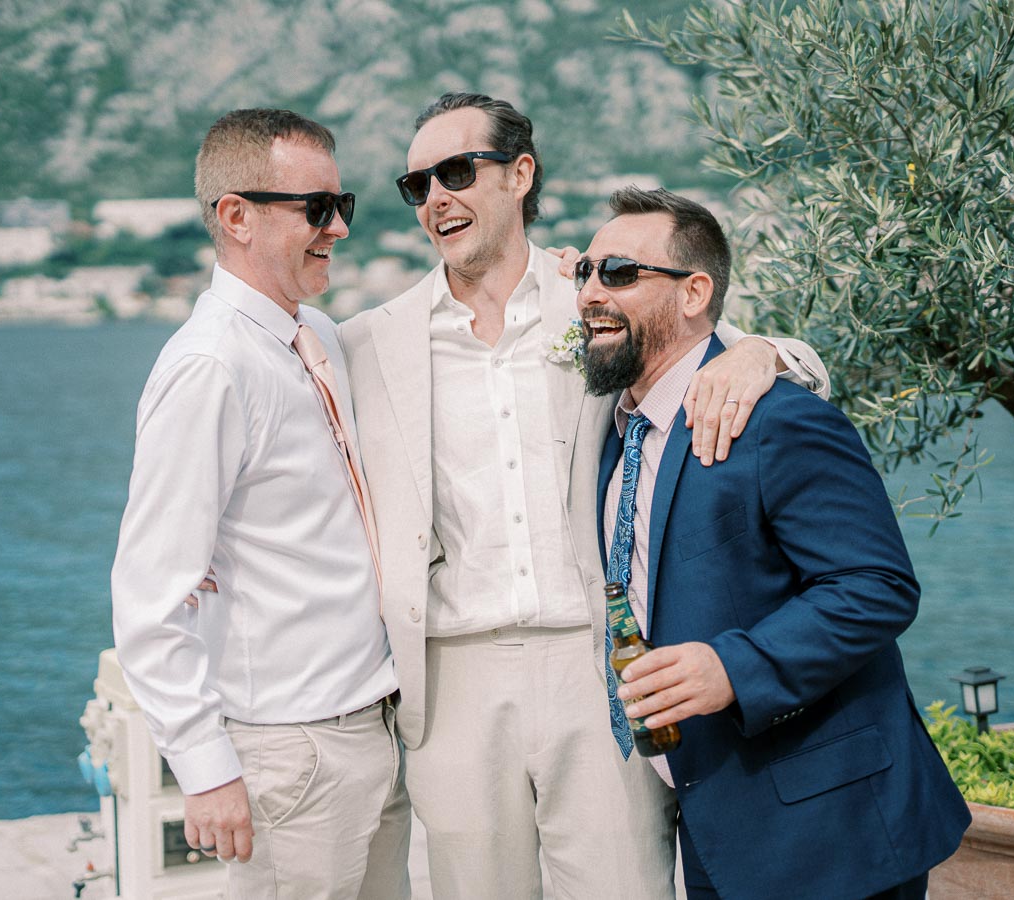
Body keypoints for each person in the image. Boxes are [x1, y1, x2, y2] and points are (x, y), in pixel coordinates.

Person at [337, 92, 830, 898]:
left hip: (600, 664)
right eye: (416, 183)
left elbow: (800, 369)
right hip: (452, 683)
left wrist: (762, 352)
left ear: (520, 174)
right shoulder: (369, 343)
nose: (436, 198)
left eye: (456, 171)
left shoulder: (598, 298)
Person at [581, 186, 971, 899]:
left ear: (694, 291)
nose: (589, 293)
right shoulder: (613, 432)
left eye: (618, 273)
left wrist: (732, 666)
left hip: (830, 827)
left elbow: (876, 587)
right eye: (585, 272)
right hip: (713, 821)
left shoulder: (776, 418)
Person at [110, 108, 409, 900]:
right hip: (291, 757)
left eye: (343, 206)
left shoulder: (315, 335)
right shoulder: (209, 368)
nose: (338, 229)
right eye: (315, 209)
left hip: (374, 728)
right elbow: (150, 593)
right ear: (234, 216)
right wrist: (205, 769)